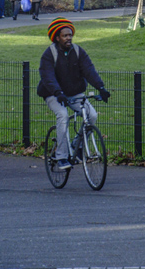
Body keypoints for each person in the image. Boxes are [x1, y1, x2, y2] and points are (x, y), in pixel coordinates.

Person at [37, 17, 110, 169]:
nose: (69, 38)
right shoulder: (49, 54)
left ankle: (77, 148)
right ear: (57, 38)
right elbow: (47, 76)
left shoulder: (78, 51)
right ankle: (61, 156)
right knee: (63, 116)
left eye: (70, 35)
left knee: (92, 115)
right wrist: (58, 92)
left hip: (75, 93)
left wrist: (101, 88)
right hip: (53, 93)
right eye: (65, 35)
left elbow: (89, 70)